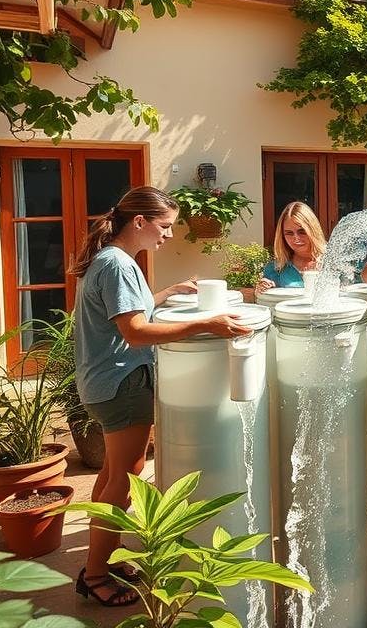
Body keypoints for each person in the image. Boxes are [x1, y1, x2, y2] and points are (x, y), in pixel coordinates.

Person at [70, 187, 252, 607]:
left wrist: (167, 293)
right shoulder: (118, 264)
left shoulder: (112, 259)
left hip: (106, 383)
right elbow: (134, 332)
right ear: (140, 222)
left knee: (110, 479)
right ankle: (95, 574)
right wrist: (209, 324)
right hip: (123, 385)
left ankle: (103, 559)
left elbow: (129, 313)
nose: (168, 236)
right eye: (165, 227)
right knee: (123, 483)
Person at [256, 201, 326, 294]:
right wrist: (262, 288)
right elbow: (267, 302)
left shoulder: (332, 262)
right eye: (289, 233)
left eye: (302, 232)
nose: (296, 238)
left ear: (313, 230)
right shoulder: (276, 268)